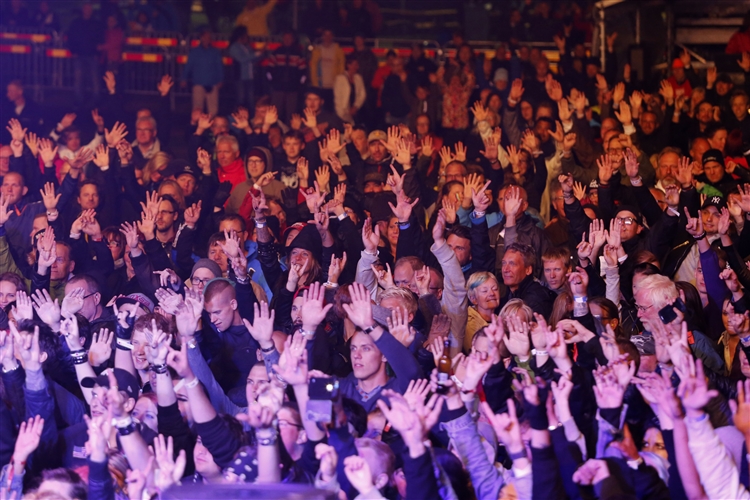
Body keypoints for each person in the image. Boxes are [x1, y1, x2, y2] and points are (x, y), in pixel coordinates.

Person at [181, 28, 224, 117]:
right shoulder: (195, 52)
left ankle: (212, 128)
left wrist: (220, 79)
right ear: (201, 38)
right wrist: (184, 78)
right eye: (205, 37)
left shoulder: (215, 52)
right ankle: (197, 128)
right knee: (197, 108)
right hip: (198, 83)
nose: (207, 39)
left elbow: (219, 66)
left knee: (213, 110)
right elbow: (188, 66)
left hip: (212, 83)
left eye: (209, 37)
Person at [309, 29, 346, 110]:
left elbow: (341, 66)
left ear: (332, 36)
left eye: (329, 35)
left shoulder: (338, 49)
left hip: (334, 86)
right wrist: (314, 83)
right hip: (320, 85)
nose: (327, 37)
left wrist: (339, 82)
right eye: (325, 35)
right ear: (322, 36)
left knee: (332, 109)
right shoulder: (317, 49)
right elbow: (313, 67)